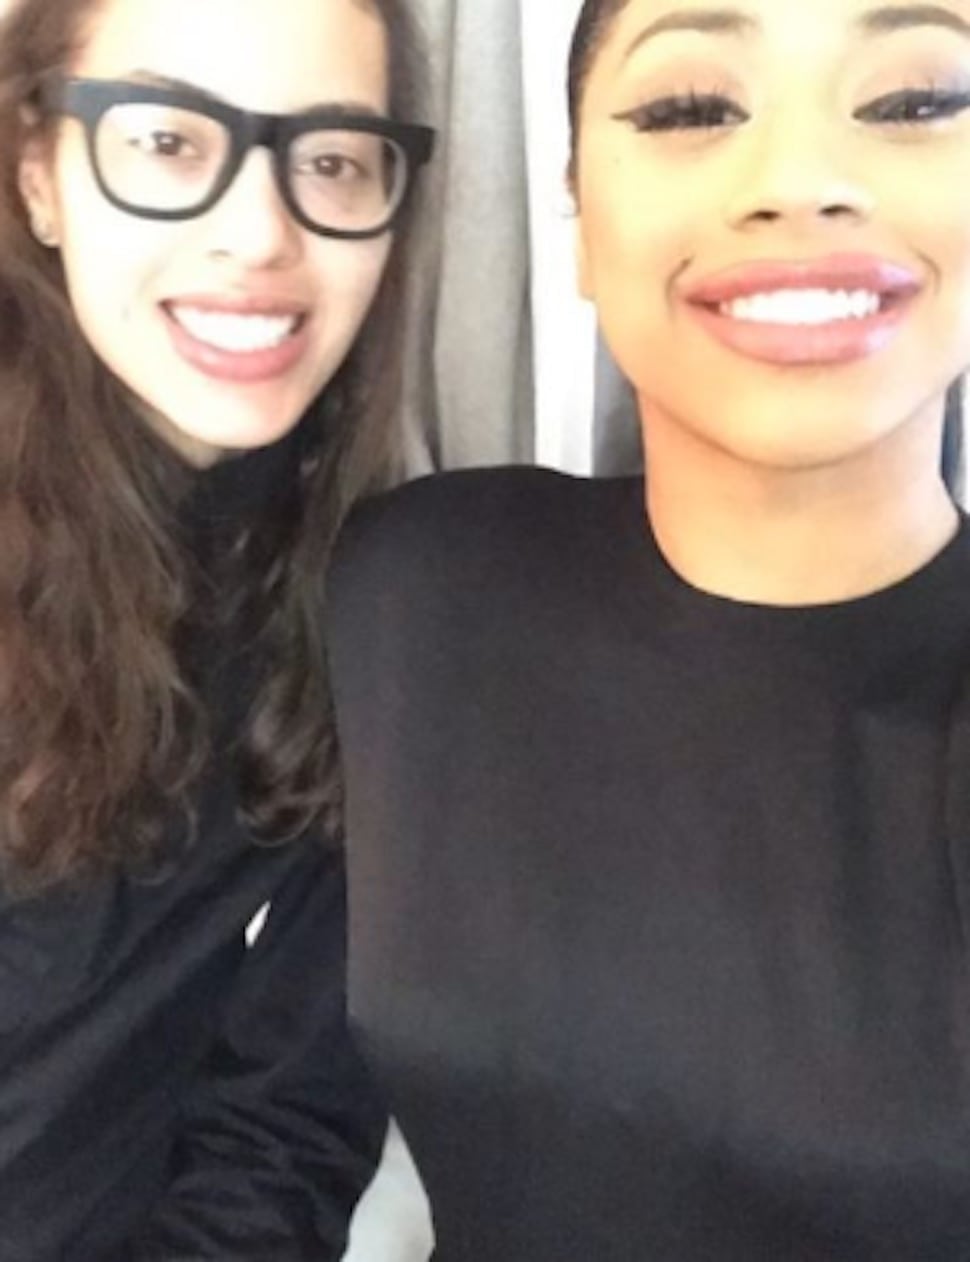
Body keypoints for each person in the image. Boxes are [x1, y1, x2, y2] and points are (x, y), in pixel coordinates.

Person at [326, 0, 970, 1258]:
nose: (797, 181)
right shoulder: (417, 583)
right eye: (690, 107)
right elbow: (265, 1082)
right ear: (577, 214)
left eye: (915, 102)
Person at [0, 0, 433, 1257]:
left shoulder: (364, 600)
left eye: (331, 158)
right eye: (167, 141)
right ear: (39, 175)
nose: (259, 234)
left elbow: (281, 1129)